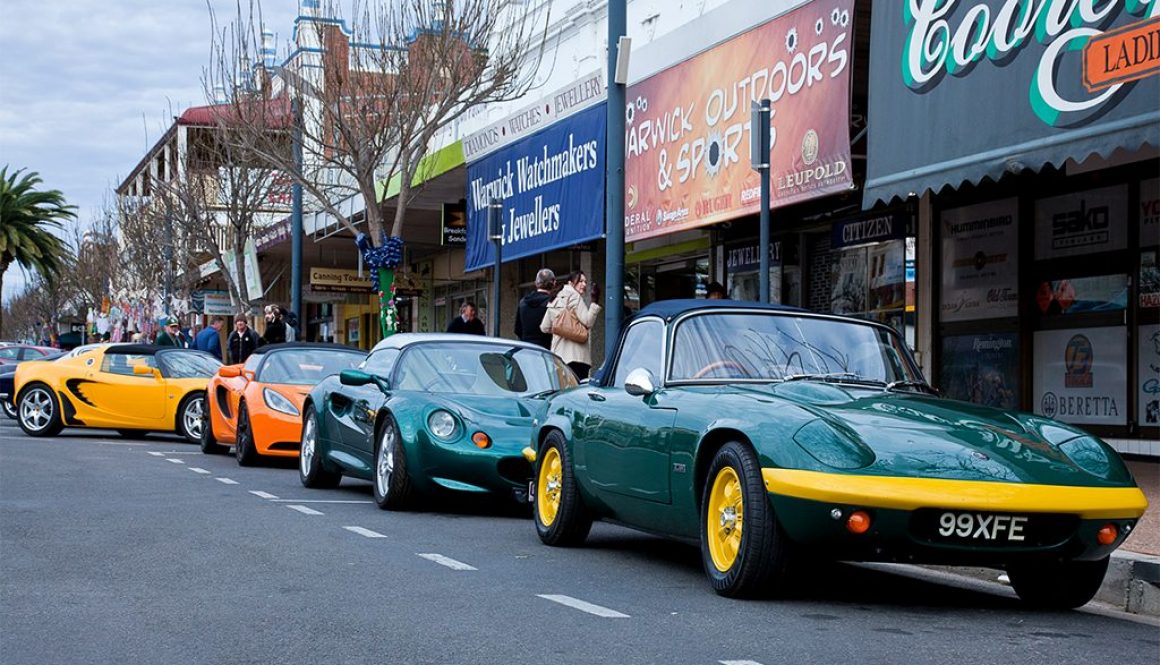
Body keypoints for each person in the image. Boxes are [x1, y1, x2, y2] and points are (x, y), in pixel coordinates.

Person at [541, 270, 602, 379]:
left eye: (585, 282)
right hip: (578, 357)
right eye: (580, 281)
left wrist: (562, 330)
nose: (584, 284)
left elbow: (545, 327)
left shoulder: (555, 298)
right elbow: (588, 321)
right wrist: (594, 301)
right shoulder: (574, 296)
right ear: (570, 283)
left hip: (558, 357)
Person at [514, 268, 556, 349]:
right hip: (546, 349)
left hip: (526, 348)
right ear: (554, 283)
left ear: (536, 283)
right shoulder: (553, 303)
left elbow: (517, 329)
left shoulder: (523, 302)